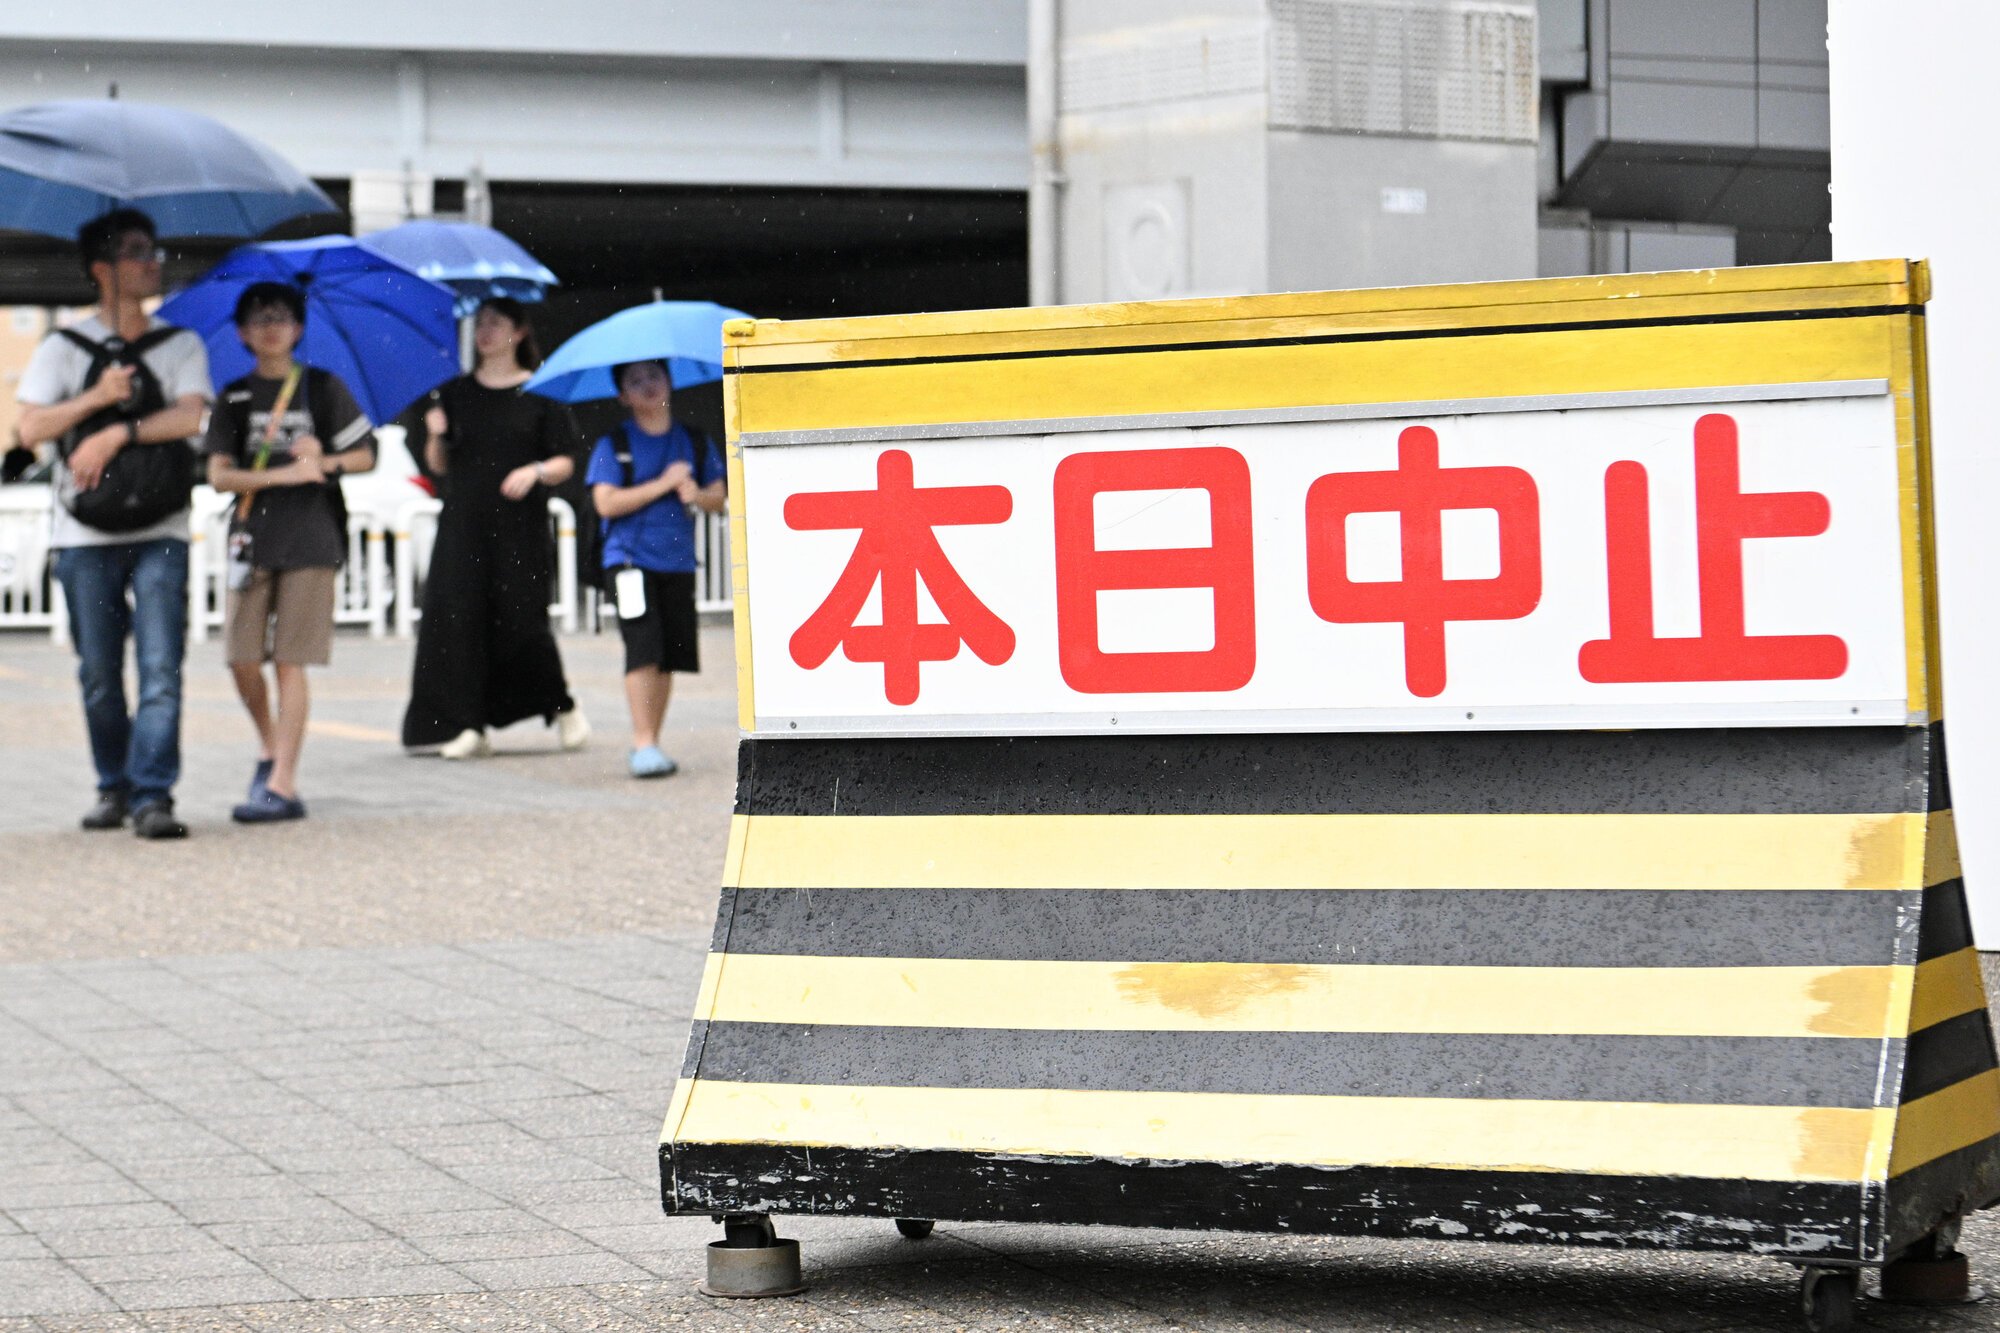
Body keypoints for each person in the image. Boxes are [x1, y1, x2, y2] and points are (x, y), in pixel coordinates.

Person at [14, 209, 210, 839]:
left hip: (164, 528)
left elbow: (188, 420)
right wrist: (99, 397)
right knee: (99, 674)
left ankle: (154, 795)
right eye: (134, 251)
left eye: (152, 249)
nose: (151, 260)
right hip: (84, 535)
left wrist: (116, 434)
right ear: (101, 269)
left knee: (160, 668)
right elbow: (31, 428)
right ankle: (113, 786)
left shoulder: (179, 344)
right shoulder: (62, 347)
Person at [202, 282, 377, 823]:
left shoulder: (323, 388)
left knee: (290, 661)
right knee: (241, 656)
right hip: (251, 537)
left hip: (311, 538)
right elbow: (218, 476)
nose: (270, 326)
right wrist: (284, 472)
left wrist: (324, 461)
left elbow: (365, 456)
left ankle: (283, 783)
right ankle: (269, 743)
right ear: (242, 333)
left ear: (299, 328)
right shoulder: (232, 396)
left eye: (281, 317)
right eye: (258, 319)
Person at [400, 297, 590, 758]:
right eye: (480, 323)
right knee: (459, 619)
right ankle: (468, 723)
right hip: (464, 523)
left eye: (495, 323)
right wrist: (434, 432)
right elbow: (439, 466)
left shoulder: (542, 393)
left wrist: (536, 472)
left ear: (520, 331)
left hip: (519, 527)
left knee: (522, 620)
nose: (485, 331)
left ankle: (562, 705)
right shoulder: (455, 393)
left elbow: (567, 459)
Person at [585, 359, 726, 778]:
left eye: (655, 375)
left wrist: (694, 493)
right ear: (622, 396)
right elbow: (605, 503)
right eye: (635, 380)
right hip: (629, 562)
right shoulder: (615, 443)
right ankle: (642, 742)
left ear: (671, 381)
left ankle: (653, 740)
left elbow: (717, 496)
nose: (647, 385)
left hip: (678, 561)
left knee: (668, 655)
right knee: (643, 648)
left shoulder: (695, 442)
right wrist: (663, 484)